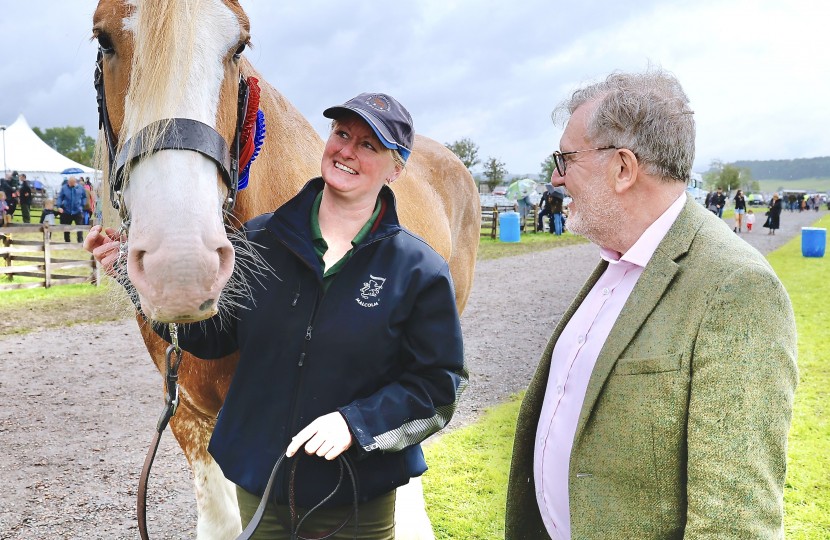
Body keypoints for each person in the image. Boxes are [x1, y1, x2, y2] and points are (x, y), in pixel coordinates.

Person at [86, 93, 467, 540]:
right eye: (342, 134)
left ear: (396, 168)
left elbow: (437, 389)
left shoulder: (418, 269)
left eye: (369, 145)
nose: (347, 150)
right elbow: (212, 339)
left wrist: (356, 424)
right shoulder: (260, 240)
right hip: (260, 493)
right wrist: (136, 282)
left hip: (355, 501)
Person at [506, 69, 797, 540]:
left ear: (623, 168)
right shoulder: (620, 254)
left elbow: (735, 520)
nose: (557, 178)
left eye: (566, 158)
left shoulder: (736, 288)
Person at [56, 176, 87, 242]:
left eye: (71, 183)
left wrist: (82, 205)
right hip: (67, 211)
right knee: (66, 227)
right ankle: (67, 241)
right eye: (69, 183)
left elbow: (84, 197)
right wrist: (59, 206)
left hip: (77, 210)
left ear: (75, 182)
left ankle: (80, 240)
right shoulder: (64, 188)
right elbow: (60, 197)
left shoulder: (81, 188)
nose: (69, 184)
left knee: (79, 226)